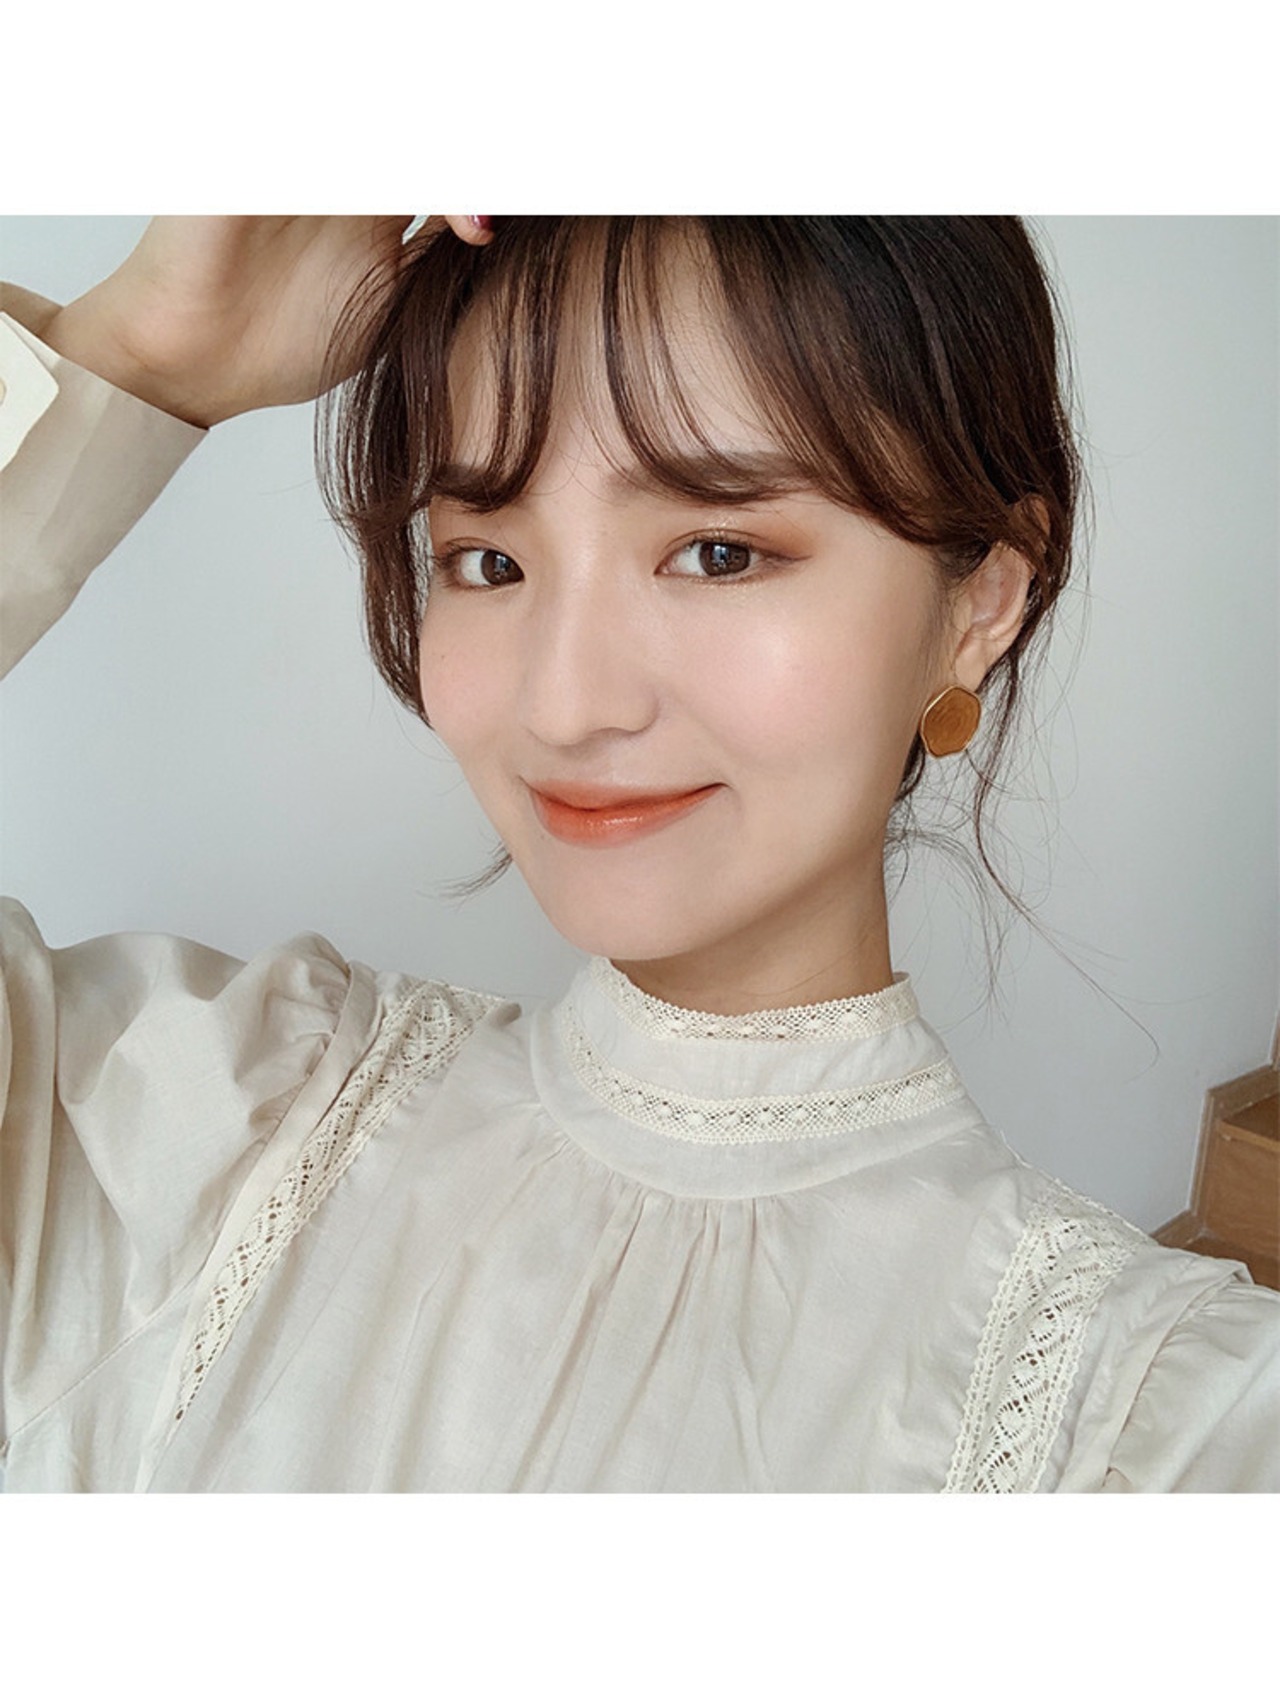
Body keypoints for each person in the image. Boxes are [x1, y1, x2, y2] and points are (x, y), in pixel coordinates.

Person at [1, 216, 1276, 1492]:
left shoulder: (1153, 1424)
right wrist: (140, 360)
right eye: (486, 561)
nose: (564, 706)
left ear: (980, 601)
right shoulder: (202, 1128)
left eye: (717, 553)